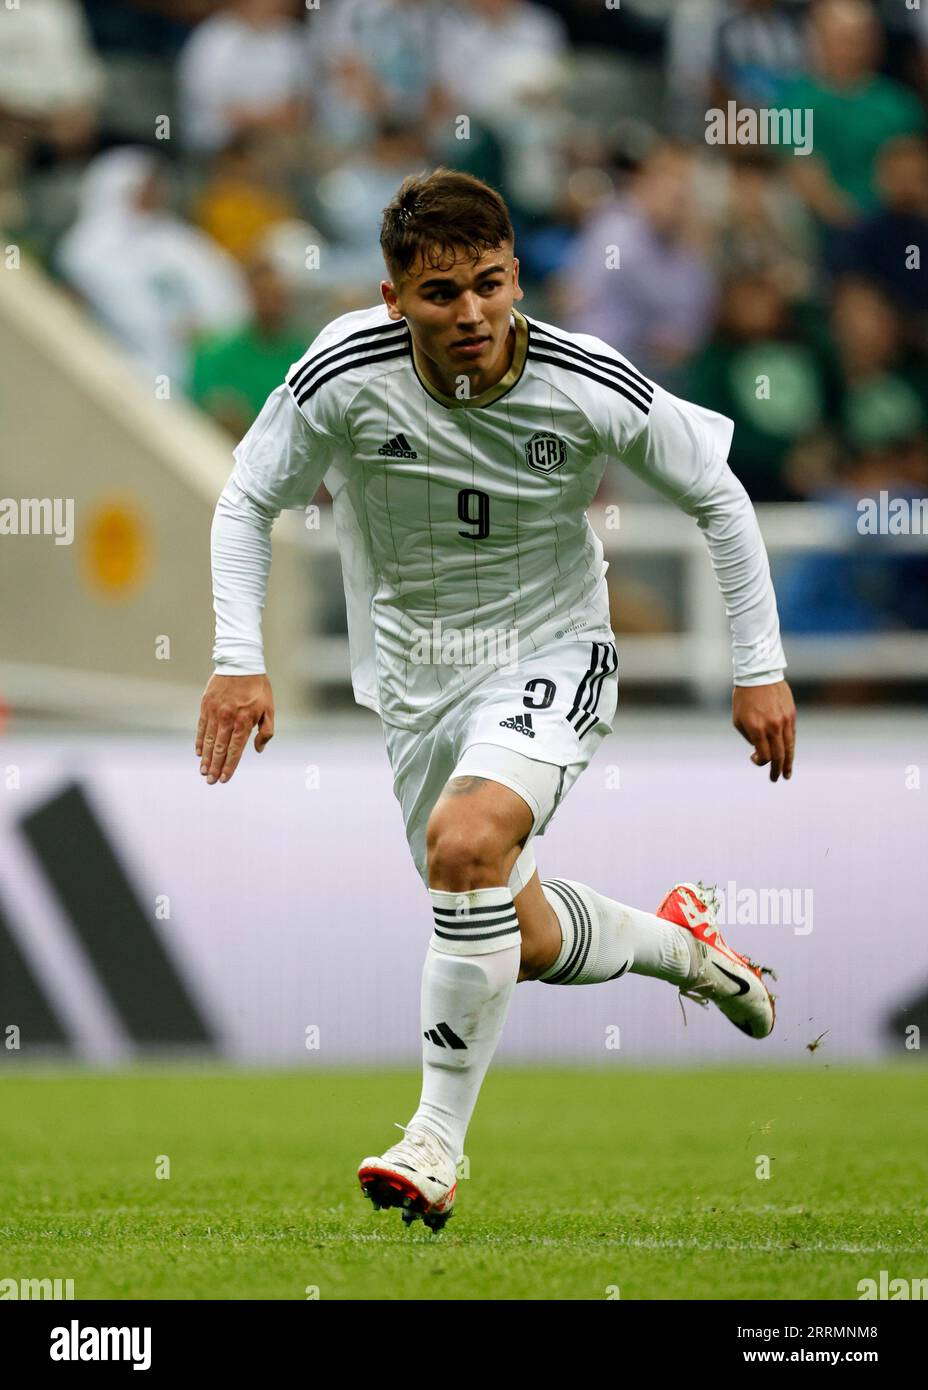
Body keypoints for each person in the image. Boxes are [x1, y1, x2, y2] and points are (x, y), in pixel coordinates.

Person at [197, 169, 796, 1233]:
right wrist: (237, 656)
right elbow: (248, 495)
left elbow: (718, 495)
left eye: (487, 284)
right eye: (438, 294)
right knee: (501, 925)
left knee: (465, 841)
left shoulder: (585, 380)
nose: (469, 313)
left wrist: (757, 666)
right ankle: (691, 952)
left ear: (516, 273)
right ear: (393, 298)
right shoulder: (342, 369)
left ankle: (432, 1142)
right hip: (414, 675)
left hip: (553, 649)